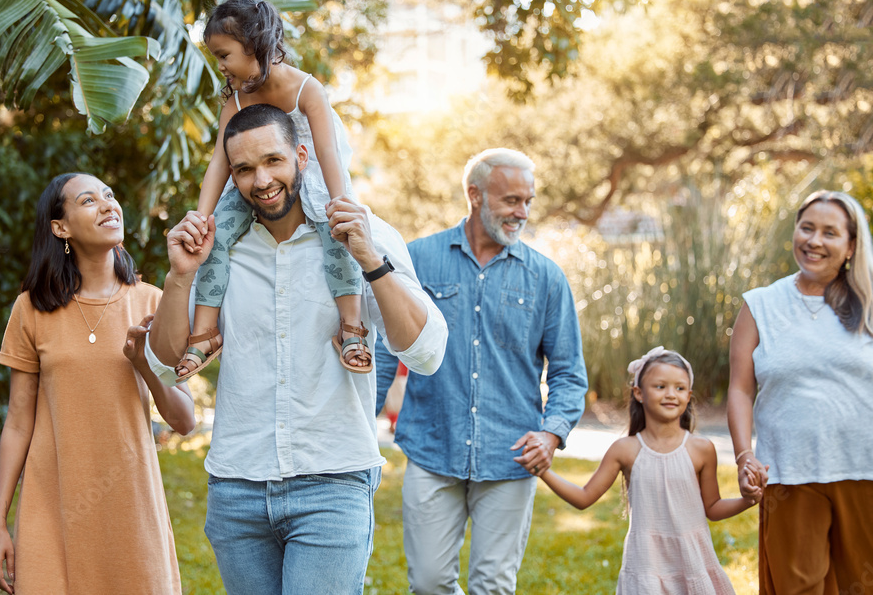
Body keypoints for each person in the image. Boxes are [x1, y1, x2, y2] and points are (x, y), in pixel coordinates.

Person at [145, 103, 448, 595]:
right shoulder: (216, 247)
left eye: (273, 161)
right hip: (237, 487)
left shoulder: (362, 232)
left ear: (302, 155)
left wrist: (370, 258)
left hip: (333, 482)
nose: (261, 180)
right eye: (243, 169)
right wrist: (180, 276)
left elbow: (428, 352)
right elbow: (163, 364)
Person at [375, 148, 588, 594]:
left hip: (509, 455)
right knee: (430, 584)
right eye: (511, 200)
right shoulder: (417, 260)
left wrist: (551, 432)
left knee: (493, 586)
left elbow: (568, 371)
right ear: (474, 195)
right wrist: (359, 427)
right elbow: (384, 353)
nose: (522, 212)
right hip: (432, 447)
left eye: (527, 201)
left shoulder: (546, 278)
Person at [0, 173, 196, 594]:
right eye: (87, 200)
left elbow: (184, 419)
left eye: (110, 195)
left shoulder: (153, 302)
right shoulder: (31, 310)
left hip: (131, 508)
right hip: (51, 505)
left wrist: (144, 363)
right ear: (60, 228)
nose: (107, 205)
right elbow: (17, 423)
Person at [174, 0, 368, 381]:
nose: (221, 66)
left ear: (253, 44)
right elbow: (219, 161)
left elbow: (328, 152)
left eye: (224, 55)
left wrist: (339, 203)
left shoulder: (306, 89)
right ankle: (204, 333)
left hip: (305, 175)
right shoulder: (238, 99)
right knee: (217, 236)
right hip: (254, 180)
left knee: (337, 234)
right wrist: (202, 216)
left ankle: (351, 328)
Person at [728, 190, 873, 593]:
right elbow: (740, 389)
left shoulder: (871, 303)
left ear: (851, 246)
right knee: (797, 588)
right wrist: (744, 457)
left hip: (866, 471)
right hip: (789, 473)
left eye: (829, 232)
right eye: (806, 228)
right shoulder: (760, 305)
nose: (814, 240)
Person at [540, 346, 753, 594]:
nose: (671, 394)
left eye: (680, 388)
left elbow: (713, 508)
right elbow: (584, 497)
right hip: (646, 566)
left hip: (692, 562)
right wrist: (543, 471)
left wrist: (747, 500)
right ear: (639, 393)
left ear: (689, 395)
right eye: (660, 386)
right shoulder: (625, 450)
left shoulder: (701, 449)